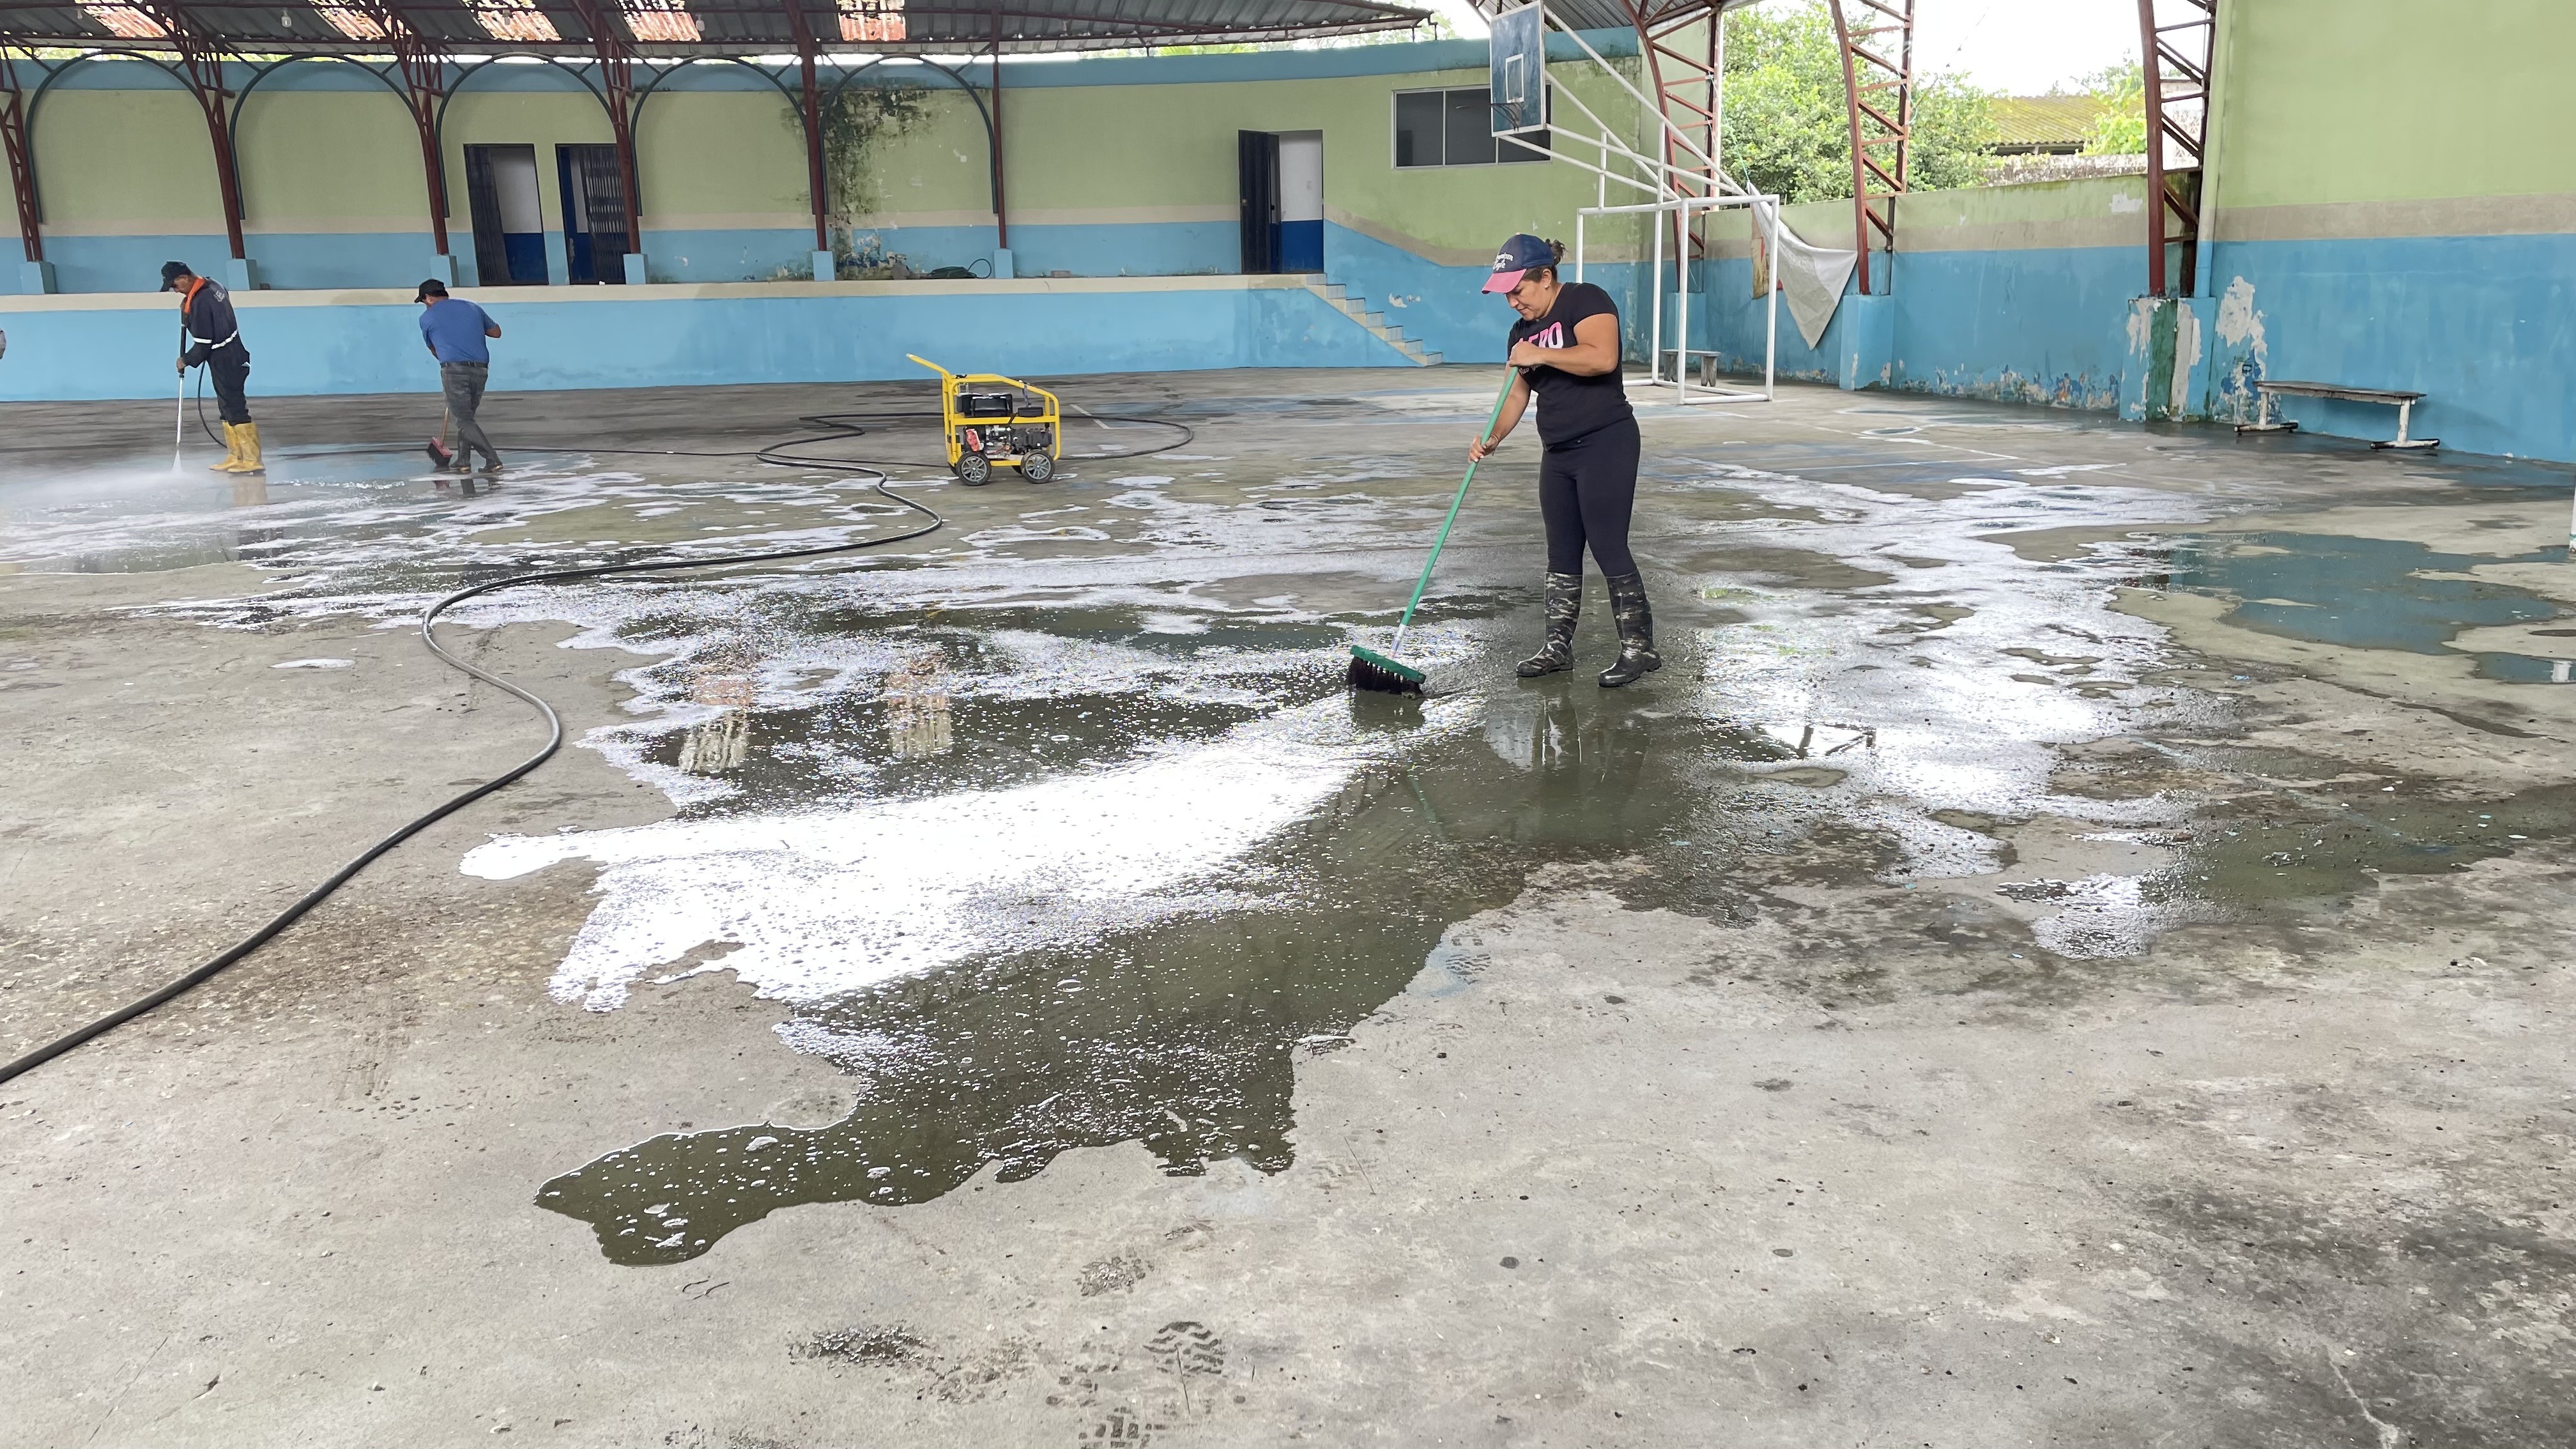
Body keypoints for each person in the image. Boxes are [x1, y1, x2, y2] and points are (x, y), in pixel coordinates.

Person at [1467, 233, 1658, 687]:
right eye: (1506, 294)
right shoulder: (1520, 334)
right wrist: (1493, 436)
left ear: (1546, 278)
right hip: (1557, 452)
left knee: (1608, 545)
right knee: (1562, 551)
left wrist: (1540, 353)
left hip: (1606, 442)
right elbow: (1516, 393)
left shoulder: (1585, 300)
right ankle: (1557, 648)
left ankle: (1640, 650)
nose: (1513, 302)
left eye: (1519, 290)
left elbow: (1602, 358)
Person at [163, 261, 259, 473]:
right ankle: (236, 456)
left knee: (234, 406)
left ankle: (252, 460)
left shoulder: (201, 302)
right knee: (226, 406)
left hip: (225, 358)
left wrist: (185, 360)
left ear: (184, 278)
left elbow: (203, 344)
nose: (175, 291)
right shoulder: (214, 285)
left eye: (175, 286)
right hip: (233, 352)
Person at [416, 279, 503, 473]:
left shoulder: (426, 318)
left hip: (454, 370)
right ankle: (464, 461)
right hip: (480, 370)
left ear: (428, 298)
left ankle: (493, 460)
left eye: (423, 301)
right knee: (467, 418)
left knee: (464, 420)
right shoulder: (472, 308)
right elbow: (496, 332)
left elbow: (434, 349)